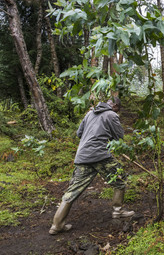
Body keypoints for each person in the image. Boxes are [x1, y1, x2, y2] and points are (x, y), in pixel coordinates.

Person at [49, 97, 134, 235]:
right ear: (116, 106)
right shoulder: (112, 115)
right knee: (120, 179)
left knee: (73, 190)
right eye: (119, 108)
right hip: (100, 156)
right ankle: (118, 212)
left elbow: (79, 134)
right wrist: (108, 140)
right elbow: (119, 137)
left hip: (82, 156)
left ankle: (56, 225)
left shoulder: (89, 113)